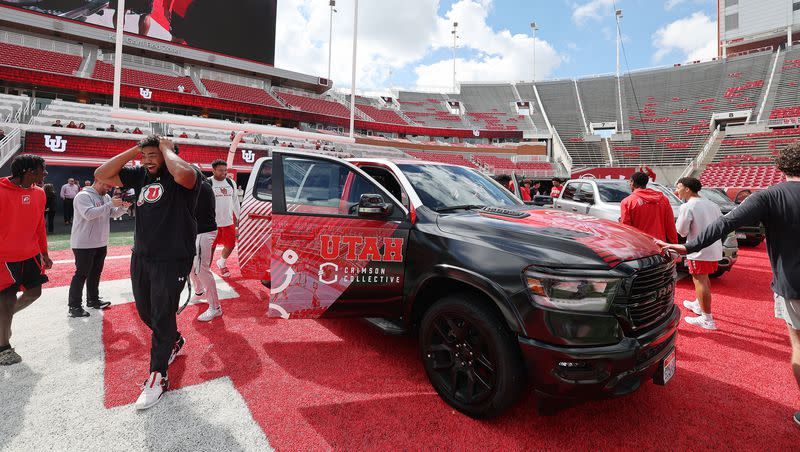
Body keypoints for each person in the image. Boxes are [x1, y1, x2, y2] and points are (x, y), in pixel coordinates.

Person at [661, 143, 800, 427]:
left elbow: (726, 224)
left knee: (799, 343)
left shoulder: (771, 195)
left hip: (793, 283)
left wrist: (687, 248)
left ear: (782, 168)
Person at [95, 135, 200, 410]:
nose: (147, 160)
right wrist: (135, 150)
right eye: (145, 156)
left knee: (162, 315)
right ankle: (174, 340)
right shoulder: (140, 174)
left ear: (167, 154)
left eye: (153, 155)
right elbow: (101, 174)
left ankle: (158, 376)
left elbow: (185, 174)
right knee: (146, 313)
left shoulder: (185, 173)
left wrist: (165, 149)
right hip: (142, 256)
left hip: (172, 258)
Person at [0, 155, 52, 365]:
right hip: (4, 257)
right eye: (42, 170)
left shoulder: (39, 193)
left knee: (34, 293)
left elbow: (40, 225)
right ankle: (3, 347)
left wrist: (45, 253)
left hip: (30, 255)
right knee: (7, 299)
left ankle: (3, 320)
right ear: (29, 172)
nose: (45, 174)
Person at [67, 180, 130, 318]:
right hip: (83, 243)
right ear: (99, 181)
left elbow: (113, 214)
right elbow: (89, 214)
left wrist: (124, 208)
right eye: (107, 185)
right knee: (81, 274)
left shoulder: (106, 197)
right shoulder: (82, 196)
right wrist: (109, 204)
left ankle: (93, 300)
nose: (109, 188)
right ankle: (74, 306)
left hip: (100, 241)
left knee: (95, 273)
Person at [674, 177, 723, 330]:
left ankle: (707, 319)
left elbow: (681, 231)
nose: (677, 190)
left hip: (698, 250)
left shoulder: (688, 206)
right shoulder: (712, 204)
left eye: (679, 187)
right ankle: (698, 303)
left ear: (687, 189)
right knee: (704, 278)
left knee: (700, 280)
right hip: (713, 247)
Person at [190, 170, 221, 321]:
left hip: (204, 232)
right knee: (190, 266)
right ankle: (199, 292)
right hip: (197, 232)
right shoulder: (202, 185)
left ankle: (215, 307)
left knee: (202, 269)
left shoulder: (202, 187)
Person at [620, 172, 678, 244]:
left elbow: (626, 228)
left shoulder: (627, 202)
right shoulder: (663, 199)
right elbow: (670, 224)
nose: (629, 184)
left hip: (639, 246)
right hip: (660, 245)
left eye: (630, 181)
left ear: (633, 182)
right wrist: (674, 244)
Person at [209, 160, 240, 277]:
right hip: (212, 223)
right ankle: (206, 269)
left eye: (225, 170)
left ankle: (221, 262)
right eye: (221, 170)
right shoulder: (208, 183)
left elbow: (235, 201)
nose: (224, 173)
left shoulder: (231, 182)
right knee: (210, 248)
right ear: (214, 170)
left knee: (231, 245)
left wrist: (239, 217)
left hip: (228, 222)